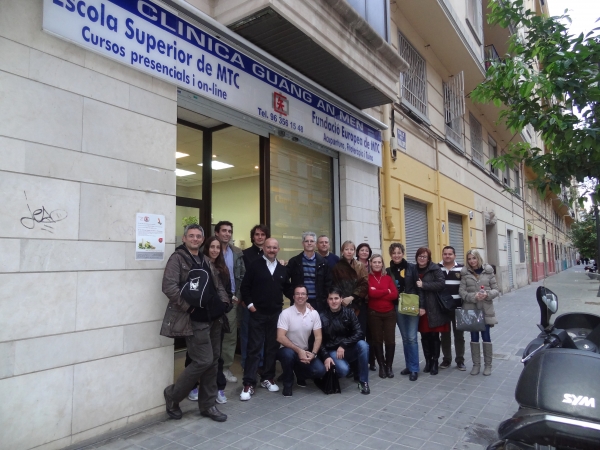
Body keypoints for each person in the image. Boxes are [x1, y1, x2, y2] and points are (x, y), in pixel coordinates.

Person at [161, 224, 230, 422]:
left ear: (202, 239)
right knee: (203, 360)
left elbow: (218, 286)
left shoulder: (204, 259)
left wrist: (224, 303)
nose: (195, 239)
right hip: (194, 320)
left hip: (214, 319)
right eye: (191, 236)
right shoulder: (177, 258)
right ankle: (173, 395)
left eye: (198, 236)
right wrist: (188, 308)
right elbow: (168, 287)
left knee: (213, 361)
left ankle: (208, 405)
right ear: (184, 238)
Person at [240, 238, 291, 400]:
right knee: (254, 349)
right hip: (258, 314)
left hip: (275, 314)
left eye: (274, 248)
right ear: (263, 248)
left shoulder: (282, 269)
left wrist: (301, 301)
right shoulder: (255, 265)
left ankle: (268, 378)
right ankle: (248, 383)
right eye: (268, 247)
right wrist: (250, 306)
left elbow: (288, 289)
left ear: (278, 249)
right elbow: (245, 287)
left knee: (272, 348)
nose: (271, 250)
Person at [276, 285, 326, 397]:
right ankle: (287, 384)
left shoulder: (314, 313)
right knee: (288, 355)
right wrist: (298, 351)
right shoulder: (286, 313)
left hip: (305, 351)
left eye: (303, 294)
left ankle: (299, 372)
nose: (300, 296)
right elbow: (280, 337)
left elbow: (318, 337)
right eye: (297, 294)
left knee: (319, 371)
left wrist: (313, 354)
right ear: (293, 297)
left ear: (307, 297)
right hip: (287, 350)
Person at [319, 288, 370, 395]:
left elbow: (359, 332)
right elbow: (319, 340)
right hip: (332, 350)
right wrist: (326, 356)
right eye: (331, 299)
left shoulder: (349, 313)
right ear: (327, 300)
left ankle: (363, 381)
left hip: (347, 348)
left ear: (341, 299)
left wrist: (343, 345)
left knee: (363, 345)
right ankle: (332, 369)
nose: (334, 301)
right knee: (344, 370)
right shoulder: (321, 316)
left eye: (336, 298)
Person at [214, 221, 245, 384]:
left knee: (230, 335)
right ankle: (212, 369)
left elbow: (242, 275)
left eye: (229, 231)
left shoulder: (237, 253)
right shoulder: (211, 250)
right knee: (213, 334)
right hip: (213, 300)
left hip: (232, 299)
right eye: (224, 231)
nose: (227, 233)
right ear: (217, 232)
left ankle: (225, 367)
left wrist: (238, 295)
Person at [459, 249, 499, 376]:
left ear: (478, 258)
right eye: (469, 259)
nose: (472, 261)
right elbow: (462, 292)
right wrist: (473, 297)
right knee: (474, 337)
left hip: (485, 309)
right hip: (471, 310)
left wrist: (487, 294)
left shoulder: (488, 272)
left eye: (474, 258)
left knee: (486, 336)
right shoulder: (465, 274)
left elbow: (496, 290)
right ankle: (476, 365)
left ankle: (488, 366)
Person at [387, 243, 419, 381]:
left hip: (411, 305)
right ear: (390, 255)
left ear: (403, 253)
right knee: (405, 337)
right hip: (397, 307)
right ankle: (409, 365)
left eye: (399, 252)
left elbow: (419, 287)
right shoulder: (388, 271)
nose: (396, 255)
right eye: (394, 253)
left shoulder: (412, 267)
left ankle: (414, 368)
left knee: (412, 338)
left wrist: (421, 306)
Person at [240, 224, 270, 371]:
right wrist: (246, 300)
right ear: (253, 237)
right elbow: (242, 279)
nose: (259, 237)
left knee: (263, 336)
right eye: (257, 234)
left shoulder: (270, 254)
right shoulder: (244, 255)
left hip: (265, 303)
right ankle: (247, 364)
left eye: (262, 235)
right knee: (247, 335)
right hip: (250, 303)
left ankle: (261, 364)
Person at [415, 247, 448, 376]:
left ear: (429, 258)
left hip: (434, 308)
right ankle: (427, 361)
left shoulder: (435, 268)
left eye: (424, 256)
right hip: (421, 307)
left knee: (434, 336)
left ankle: (435, 362)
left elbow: (441, 284)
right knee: (424, 336)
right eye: (420, 256)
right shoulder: (414, 269)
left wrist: (424, 285)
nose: (422, 259)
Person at [367, 254, 398, 378]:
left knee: (390, 340)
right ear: (370, 263)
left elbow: (395, 294)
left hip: (389, 313)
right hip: (374, 313)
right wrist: (386, 291)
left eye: (379, 262)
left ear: (382, 264)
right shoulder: (368, 278)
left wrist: (377, 292)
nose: (377, 264)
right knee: (377, 340)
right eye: (374, 262)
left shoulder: (387, 278)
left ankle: (389, 366)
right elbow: (370, 293)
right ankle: (381, 366)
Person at [286, 231, 332, 313]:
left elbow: (328, 283)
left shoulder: (324, 263)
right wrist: (293, 296)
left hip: (318, 304)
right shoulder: (294, 262)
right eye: (306, 241)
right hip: (299, 302)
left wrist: (324, 299)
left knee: (318, 326)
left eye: (312, 241)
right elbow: (285, 282)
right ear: (302, 243)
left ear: (315, 244)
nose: (309, 243)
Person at [331, 240, 369, 334]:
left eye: (351, 249)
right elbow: (334, 285)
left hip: (358, 303)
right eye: (346, 249)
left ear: (354, 251)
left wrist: (352, 297)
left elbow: (365, 284)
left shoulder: (360, 265)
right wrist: (342, 299)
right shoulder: (337, 267)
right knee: (345, 333)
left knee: (359, 333)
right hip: (342, 304)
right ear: (342, 251)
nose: (349, 251)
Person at [438, 246, 465, 371]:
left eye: (450, 254)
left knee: (459, 335)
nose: (447, 256)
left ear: (454, 255)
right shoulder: (436, 268)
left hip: (458, 307)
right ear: (442, 255)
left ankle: (460, 360)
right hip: (442, 309)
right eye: (445, 254)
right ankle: (446, 359)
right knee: (444, 335)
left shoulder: (462, 268)